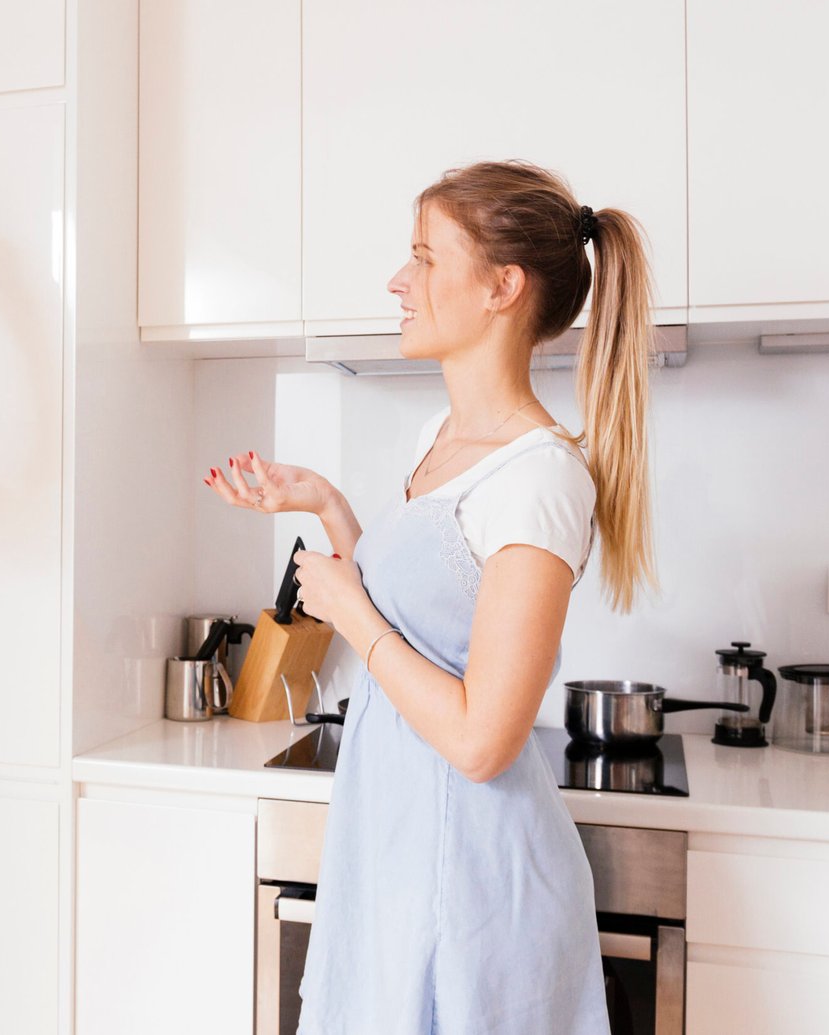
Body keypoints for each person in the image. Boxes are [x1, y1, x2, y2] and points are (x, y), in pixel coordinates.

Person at [206, 161, 655, 1034]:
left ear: (501, 287)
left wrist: (351, 612)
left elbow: (483, 739)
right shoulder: (442, 438)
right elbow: (430, 614)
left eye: (422, 257)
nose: (397, 281)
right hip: (399, 852)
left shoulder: (540, 478)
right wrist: (329, 505)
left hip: (476, 884)